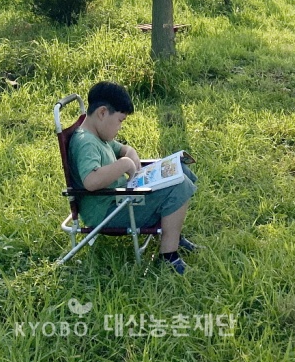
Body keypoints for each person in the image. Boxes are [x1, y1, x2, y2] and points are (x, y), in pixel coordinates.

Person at [68, 80, 198, 274]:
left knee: (182, 171)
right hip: (107, 212)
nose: (120, 127)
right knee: (179, 185)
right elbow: (91, 181)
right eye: (120, 121)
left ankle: (173, 234)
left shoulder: (97, 136)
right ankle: (168, 257)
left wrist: (131, 154)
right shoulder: (87, 143)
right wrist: (124, 164)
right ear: (102, 113)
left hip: (120, 199)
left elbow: (123, 149)